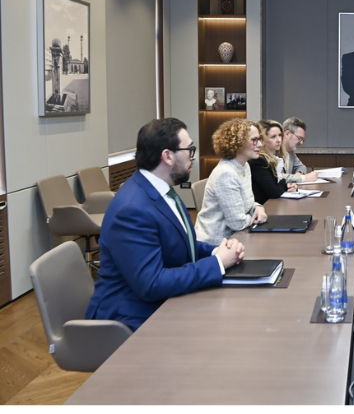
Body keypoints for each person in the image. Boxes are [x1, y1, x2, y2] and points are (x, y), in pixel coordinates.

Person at [85, 118, 245, 331]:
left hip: (159, 302)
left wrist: (217, 251)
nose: (193, 156)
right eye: (189, 150)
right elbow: (152, 284)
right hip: (129, 318)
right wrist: (216, 263)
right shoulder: (132, 210)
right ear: (167, 156)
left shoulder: (162, 191)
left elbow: (178, 244)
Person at [194, 119, 268, 245]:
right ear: (238, 142)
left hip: (237, 237)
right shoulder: (226, 173)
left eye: (260, 139)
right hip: (216, 243)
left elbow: (246, 202)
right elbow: (237, 223)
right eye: (254, 140)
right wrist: (256, 218)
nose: (260, 144)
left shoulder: (244, 166)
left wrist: (258, 208)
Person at [249, 119, 298, 203]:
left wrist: (289, 186)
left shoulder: (274, 158)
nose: (279, 140)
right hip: (263, 207)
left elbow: (276, 187)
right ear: (263, 140)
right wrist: (284, 183)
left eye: (280, 135)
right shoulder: (259, 161)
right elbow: (274, 192)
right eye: (273, 137)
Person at [282, 116, 318, 183]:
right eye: (299, 138)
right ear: (287, 134)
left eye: (302, 140)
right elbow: (277, 177)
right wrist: (303, 178)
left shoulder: (290, 152)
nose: (301, 143)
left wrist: (299, 173)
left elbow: (301, 167)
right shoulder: (273, 150)